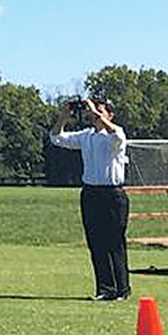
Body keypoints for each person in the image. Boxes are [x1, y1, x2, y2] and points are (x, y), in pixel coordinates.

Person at [47, 97, 130, 300]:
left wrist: (96, 112)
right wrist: (63, 117)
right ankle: (105, 289)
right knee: (96, 243)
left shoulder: (115, 136)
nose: (95, 116)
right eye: (94, 112)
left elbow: (117, 134)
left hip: (113, 194)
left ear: (110, 115)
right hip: (91, 193)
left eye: (102, 112)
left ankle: (122, 289)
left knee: (115, 242)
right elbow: (56, 138)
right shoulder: (86, 136)